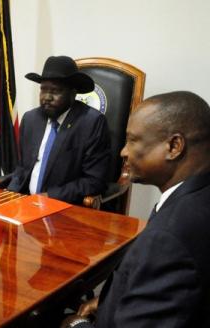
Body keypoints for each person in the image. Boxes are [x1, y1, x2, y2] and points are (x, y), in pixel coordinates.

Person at [61, 91, 210, 327]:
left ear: (174, 146)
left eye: (132, 140)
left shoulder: (168, 239)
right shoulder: (196, 197)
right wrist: (108, 300)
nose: (123, 152)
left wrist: (76, 325)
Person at [7, 56, 111, 205]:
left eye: (55, 91)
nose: (47, 97)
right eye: (43, 90)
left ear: (73, 93)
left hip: (64, 207)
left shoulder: (91, 123)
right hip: (26, 205)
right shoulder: (31, 119)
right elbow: (23, 168)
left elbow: (95, 180)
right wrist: (10, 194)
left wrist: (50, 196)